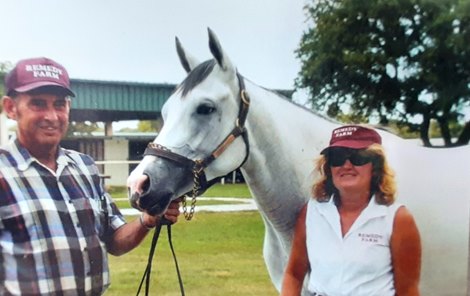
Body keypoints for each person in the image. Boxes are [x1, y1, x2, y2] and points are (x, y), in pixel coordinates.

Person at [0, 57, 181, 295]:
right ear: (11, 108)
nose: (52, 116)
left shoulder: (84, 167)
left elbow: (114, 240)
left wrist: (148, 219)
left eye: (59, 104)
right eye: (38, 103)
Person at [281, 125, 421, 296]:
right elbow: (294, 274)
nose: (346, 165)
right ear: (329, 167)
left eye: (358, 157)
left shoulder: (397, 219)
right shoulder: (311, 212)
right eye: (337, 157)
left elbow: (407, 291)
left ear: (375, 166)